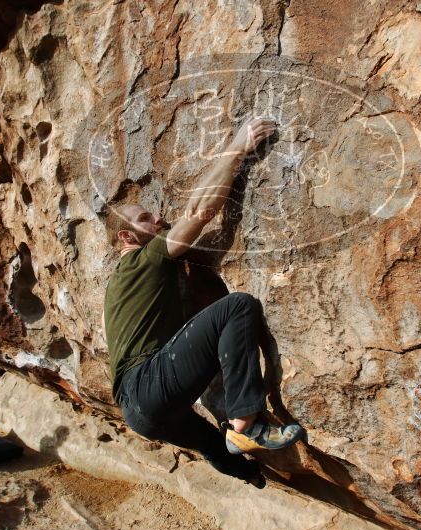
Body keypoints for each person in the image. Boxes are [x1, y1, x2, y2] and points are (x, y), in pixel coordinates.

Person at [103, 117, 303, 484]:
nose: (159, 219)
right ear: (126, 237)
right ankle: (247, 421)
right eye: (146, 219)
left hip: (140, 413)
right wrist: (237, 148)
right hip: (148, 386)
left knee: (214, 445)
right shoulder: (142, 259)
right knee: (238, 306)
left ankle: (249, 475)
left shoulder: (120, 284)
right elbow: (198, 213)